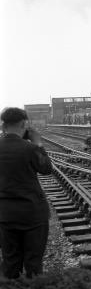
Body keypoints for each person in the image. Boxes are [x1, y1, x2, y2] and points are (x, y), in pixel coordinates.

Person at [0, 107, 52, 279]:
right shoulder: (29, 149)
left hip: (5, 215)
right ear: (24, 124)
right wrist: (38, 143)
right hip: (33, 215)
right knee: (34, 264)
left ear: (3, 126)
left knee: (10, 263)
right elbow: (46, 168)